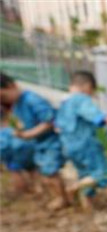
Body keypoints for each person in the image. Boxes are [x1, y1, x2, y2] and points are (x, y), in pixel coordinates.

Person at [54, 70, 107, 207]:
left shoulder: (64, 102)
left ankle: (88, 206)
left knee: (85, 174)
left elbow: (57, 126)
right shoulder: (81, 99)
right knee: (103, 173)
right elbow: (93, 115)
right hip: (86, 145)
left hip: (68, 146)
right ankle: (74, 187)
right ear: (87, 86)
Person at [0, 72, 68, 210]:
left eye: (3, 96)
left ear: (11, 86)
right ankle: (53, 195)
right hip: (38, 142)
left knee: (51, 171)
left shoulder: (32, 99)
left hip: (49, 141)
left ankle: (62, 199)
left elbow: (49, 122)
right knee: (44, 171)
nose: (4, 101)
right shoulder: (17, 104)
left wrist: (28, 134)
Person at [0, 103, 37, 197]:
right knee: (32, 168)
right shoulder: (12, 122)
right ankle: (38, 188)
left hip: (13, 150)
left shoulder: (2, 131)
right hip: (26, 146)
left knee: (15, 170)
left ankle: (21, 191)